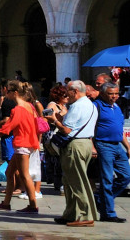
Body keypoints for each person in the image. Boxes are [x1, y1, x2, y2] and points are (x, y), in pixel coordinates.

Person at [49, 80, 97, 227]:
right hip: (85, 143)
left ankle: (85, 215)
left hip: (75, 145)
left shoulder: (77, 106)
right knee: (69, 181)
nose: (66, 95)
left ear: (75, 91)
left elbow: (67, 130)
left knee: (76, 181)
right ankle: (71, 214)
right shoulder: (90, 105)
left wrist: (54, 120)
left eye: (67, 91)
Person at [0, 80, 40, 214]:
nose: (6, 94)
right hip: (28, 142)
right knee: (9, 172)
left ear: (15, 92)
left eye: (8, 91)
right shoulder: (29, 106)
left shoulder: (18, 109)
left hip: (23, 143)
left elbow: (9, 126)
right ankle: (6, 203)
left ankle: (33, 205)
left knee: (24, 175)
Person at [92, 83, 130, 223]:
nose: (114, 96)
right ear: (103, 94)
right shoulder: (96, 106)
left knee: (126, 176)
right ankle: (108, 213)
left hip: (117, 146)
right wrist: (92, 146)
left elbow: (120, 130)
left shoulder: (116, 107)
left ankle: (100, 198)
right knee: (107, 179)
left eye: (116, 93)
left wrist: (128, 147)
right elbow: (90, 127)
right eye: (111, 94)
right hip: (103, 145)